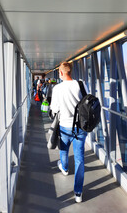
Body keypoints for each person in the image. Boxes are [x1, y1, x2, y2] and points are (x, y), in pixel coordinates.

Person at [50, 62, 87, 203]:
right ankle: (78, 193)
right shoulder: (80, 84)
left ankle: (64, 168)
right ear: (71, 71)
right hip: (80, 127)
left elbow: (54, 108)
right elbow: (86, 102)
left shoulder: (57, 88)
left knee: (64, 151)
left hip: (65, 126)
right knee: (79, 159)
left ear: (60, 73)